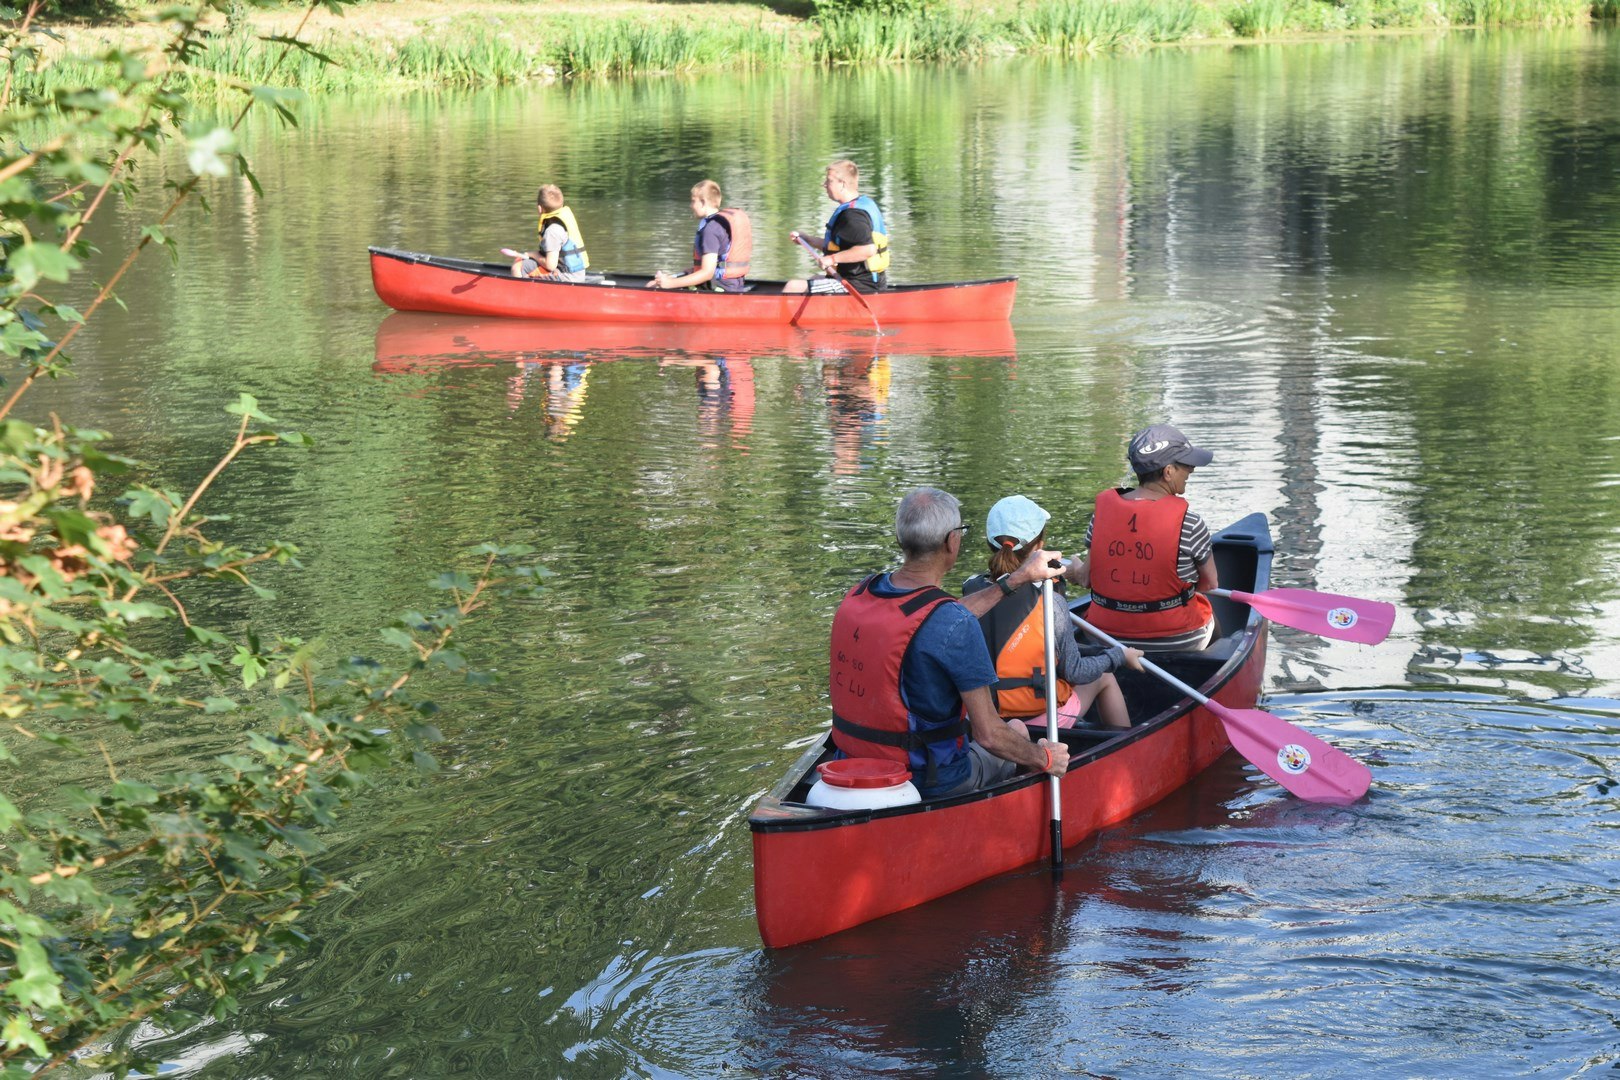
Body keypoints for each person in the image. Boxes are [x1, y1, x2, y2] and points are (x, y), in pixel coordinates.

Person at [828, 487, 1070, 800]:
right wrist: (1046, 757)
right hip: (927, 779)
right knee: (1017, 732)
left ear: (902, 539)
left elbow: (935, 619)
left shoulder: (861, 594)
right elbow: (989, 736)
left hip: (849, 763)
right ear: (951, 542)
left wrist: (1014, 580)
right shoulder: (953, 624)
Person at [964, 496, 1143, 730]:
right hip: (1038, 718)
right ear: (1039, 546)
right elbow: (1075, 671)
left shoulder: (972, 591)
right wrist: (1119, 656)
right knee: (1104, 678)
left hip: (982, 714)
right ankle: (1122, 747)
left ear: (990, 544)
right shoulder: (1051, 600)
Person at [1067, 424, 1220, 651]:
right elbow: (1209, 584)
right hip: (1178, 639)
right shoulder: (1191, 523)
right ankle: (1216, 672)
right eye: (1186, 465)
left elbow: (1086, 579)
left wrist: (1073, 569)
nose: (1191, 470)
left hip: (1105, 637)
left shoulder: (1101, 516)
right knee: (1212, 619)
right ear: (1168, 472)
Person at [785, 159, 890, 295]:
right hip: (863, 282)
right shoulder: (860, 204)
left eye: (829, 181)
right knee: (814, 279)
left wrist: (832, 259)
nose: (824, 184)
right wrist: (807, 240)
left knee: (793, 287)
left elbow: (868, 249)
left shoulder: (853, 215)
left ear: (842, 184)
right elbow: (840, 247)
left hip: (858, 286)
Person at [648, 180, 751, 293]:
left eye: (693, 201)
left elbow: (707, 273)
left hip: (719, 287)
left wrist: (670, 283)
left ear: (703, 202)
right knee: (657, 282)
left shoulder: (710, 230)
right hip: (734, 284)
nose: (691, 206)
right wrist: (675, 276)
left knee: (652, 286)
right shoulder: (719, 225)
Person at [511, 184, 588, 282]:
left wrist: (531, 254)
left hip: (568, 277)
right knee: (527, 262)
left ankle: (522, 295)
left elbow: (551, 265)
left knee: (518, 265)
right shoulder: (563, 217)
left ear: (540, 208)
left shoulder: (552, 231)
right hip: (577, 273)